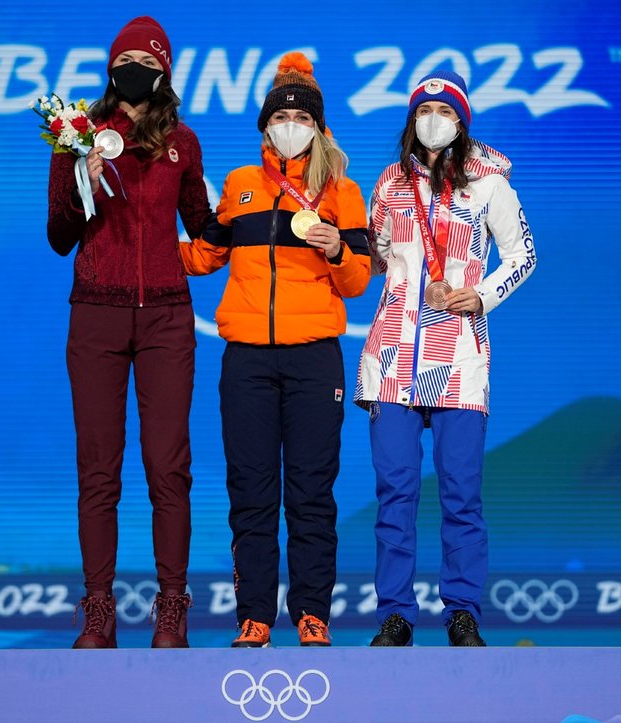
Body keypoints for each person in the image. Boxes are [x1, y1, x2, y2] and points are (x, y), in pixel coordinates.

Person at [180, 52, 370, 648]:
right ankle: (254, 615)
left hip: (315, 355)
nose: (289, 124)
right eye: (279, 115)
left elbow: (358, 280)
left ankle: (312, 614)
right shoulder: (239, 186)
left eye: (300, 116)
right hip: (248, 362)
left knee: (312, 491)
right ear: (264, 125)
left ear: (318, 127)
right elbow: (203, 256)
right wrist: (138, 232)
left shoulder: (342, 190)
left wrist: (337, 249)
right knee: (251, 490)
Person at [46, 16, 212, 649]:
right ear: (111, 69)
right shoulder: (76, 139)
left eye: (147, 61)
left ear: (163, 73)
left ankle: (172, 609)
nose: (135, 70)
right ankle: (98, 611)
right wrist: (81, 182)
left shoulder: (184, 144)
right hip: (96, 312)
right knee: (99, 470)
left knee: (169, 468)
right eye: (126, 60)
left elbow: (202, 224)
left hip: (169, 316)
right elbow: (60, 238)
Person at [355, 70, 537, 647]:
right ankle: (395, 615)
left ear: (460, 120)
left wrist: (481, 295)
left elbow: (523, 254)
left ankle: (462, 611)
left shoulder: (489, 184)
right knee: (395, 491)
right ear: (411, 119)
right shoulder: (388, 183)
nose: (432, 118)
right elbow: (378, 259)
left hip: (458, 356)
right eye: (423, 109)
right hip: (392, 356)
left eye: (444, 109)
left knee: (460, 491)